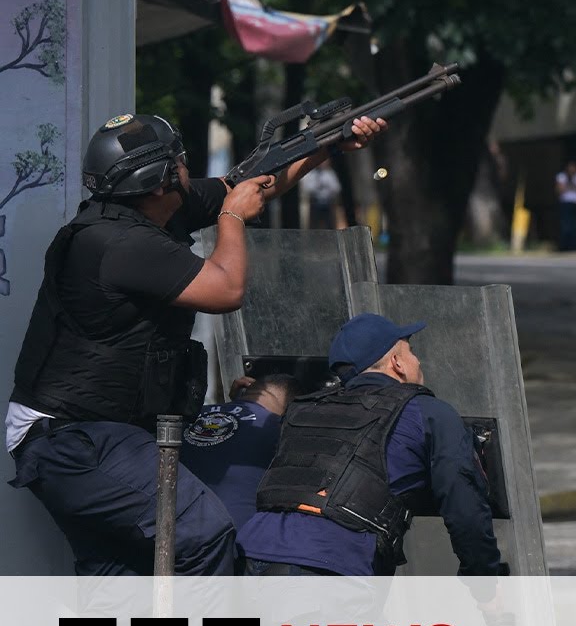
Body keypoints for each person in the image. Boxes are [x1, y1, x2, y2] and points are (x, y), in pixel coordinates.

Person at [5, 112, 385, 576]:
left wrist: (327, 145)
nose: (189, 168)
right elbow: (225, 290)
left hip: (85, 430)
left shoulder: (148, 208)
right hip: (73, 437)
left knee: (122, 569)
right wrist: (231, 217)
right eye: (180, 162)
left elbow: (252, 184)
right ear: (163, 180)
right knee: (200, 531)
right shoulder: (117, 243)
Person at [237, 313, 504, 577]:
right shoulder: (428, 412)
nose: (418, 360)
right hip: (330, 566)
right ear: (397, 363)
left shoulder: (303, 409)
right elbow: (464, 506)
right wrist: (485, 582)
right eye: (411, 351)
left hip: (253, 555)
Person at [179, 373, 301, 531]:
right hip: (235, 543)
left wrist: (234, 405)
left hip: (161, 535)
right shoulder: (281, 429)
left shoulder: (187, 417)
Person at [302, 160, 341, 229]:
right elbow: (306, 188)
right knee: (314, 226)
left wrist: (327, 186)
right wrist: (316, 186)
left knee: (330, 225)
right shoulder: (311, 174)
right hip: (315, 203)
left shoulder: (330, 173)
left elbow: (336, 188)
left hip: (327, 203)